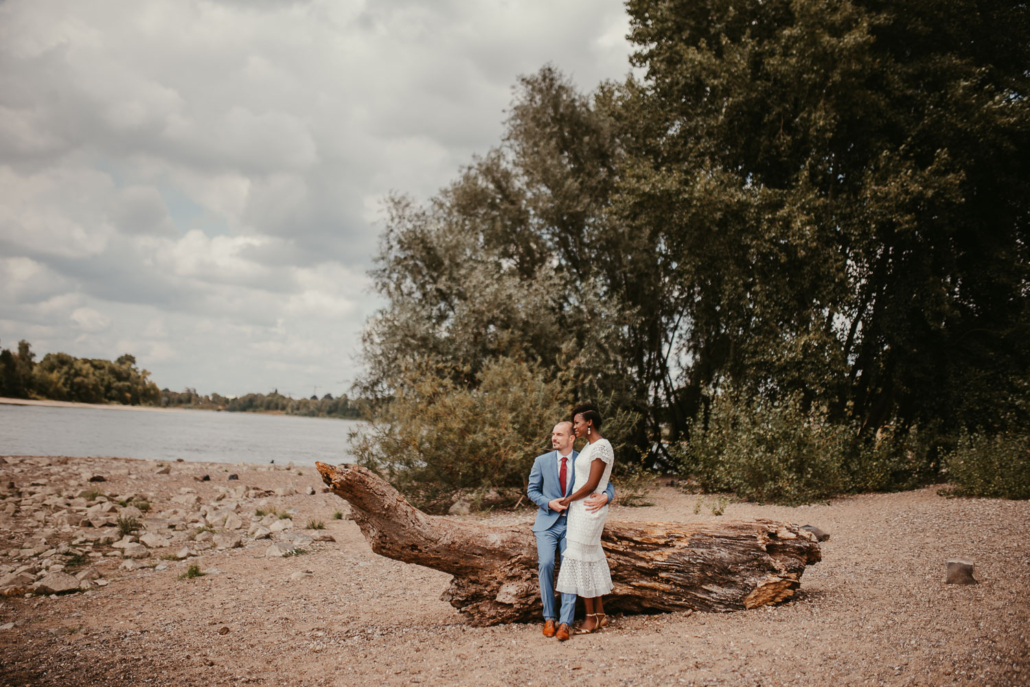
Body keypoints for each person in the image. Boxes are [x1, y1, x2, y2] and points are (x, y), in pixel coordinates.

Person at [527, 421, 614, 641]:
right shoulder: (541, 461)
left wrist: (607, 496)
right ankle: (549, 617)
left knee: (570, 565)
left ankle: (565, 622)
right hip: (547, 523)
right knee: (546, 563)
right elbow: (532, 491)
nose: (553, 438)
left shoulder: (582, 459)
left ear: (571, 438)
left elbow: (604, 481)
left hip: (574, 523)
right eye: (552, 434)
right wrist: (549, 503)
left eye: (559, 434)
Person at [555, 402, 615, 634]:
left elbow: (592, 484)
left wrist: (568, 499)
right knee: (589, 557)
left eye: (577, 423)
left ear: (589, 422)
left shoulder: (601, 447)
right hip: (581, 509)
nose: (575, 428)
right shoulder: (590, 447)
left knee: (582, 560)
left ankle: (590, 618)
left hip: (589, 509)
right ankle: (600, 614)